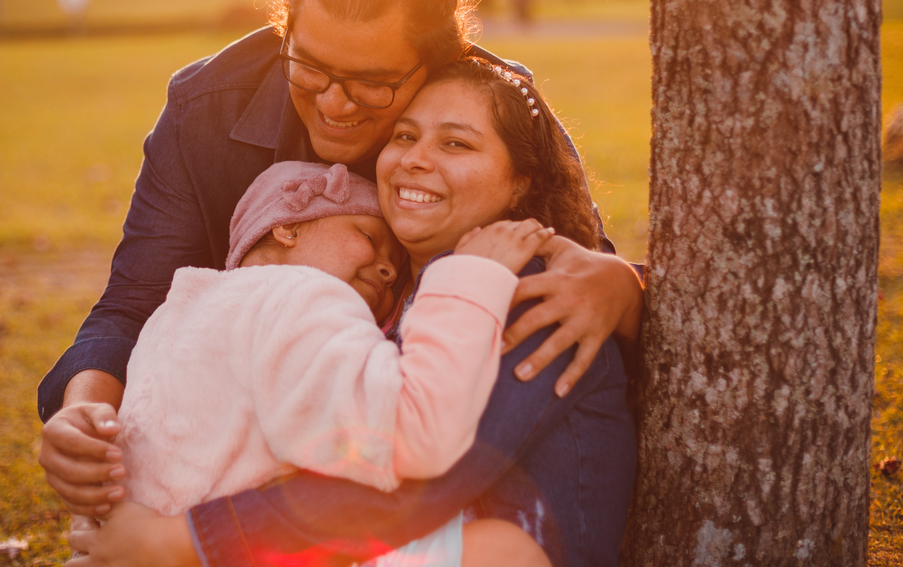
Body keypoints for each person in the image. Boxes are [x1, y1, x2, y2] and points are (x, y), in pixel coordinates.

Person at [40, 0, 644, 562]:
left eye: (373, 82)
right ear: (285, 28)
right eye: (309, 65)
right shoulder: (206, 109)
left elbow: (577, 275)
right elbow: (132, 301)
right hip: (293, 439)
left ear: (438, 62)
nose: (333, 102)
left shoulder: (494, 113)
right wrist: (83, 413)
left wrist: (626, 287)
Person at [68, 57, 636, 567]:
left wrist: (188, 541)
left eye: (456, 144)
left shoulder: (526, 289)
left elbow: (415, 482)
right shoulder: (413, 293)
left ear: (520, 182)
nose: (416, 159)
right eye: (405, 136)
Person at [92, 160, 557, 567]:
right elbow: (411, 432)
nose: (388, 270)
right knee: (506, 553)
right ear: (287, 227)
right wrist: (469, 279)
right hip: (217, 550)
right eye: (369, 236)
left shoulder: (176, 317)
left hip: (148, 545)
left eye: (395, 269)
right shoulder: (297, 297)